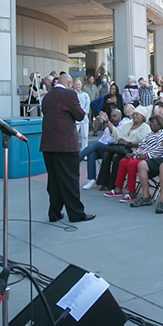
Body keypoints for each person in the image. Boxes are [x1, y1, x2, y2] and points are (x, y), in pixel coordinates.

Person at [40, 72, 92, 223]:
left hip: (48, 144)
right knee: (70, 179)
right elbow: (80, 115)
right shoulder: (69, 95)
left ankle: (54, 212)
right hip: (65, 144)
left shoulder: (48, 96)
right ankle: (76, 214)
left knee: (54, 180)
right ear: (69, 84)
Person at [109, 114, 163, 201]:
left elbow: (160, 149)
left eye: (153, 123)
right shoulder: (149, 134)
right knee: (123, 161)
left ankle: (132, 192)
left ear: (159, 124)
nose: (151, 125)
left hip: (151, 159)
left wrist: (146, 156)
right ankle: (118, 188)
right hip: (140, 156)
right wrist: (133, 154)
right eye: (150, 123)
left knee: (132, 164)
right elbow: (141, 146)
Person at [97, 106, 151, 192]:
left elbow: (144, 141)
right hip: (122, 148)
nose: (135, 116)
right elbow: (115, 132)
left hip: (133, 150)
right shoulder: (128, 125)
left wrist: (128, 142)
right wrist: (107, 122)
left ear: (142, 117)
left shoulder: (145, 127)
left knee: (116, 156)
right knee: (107, 154)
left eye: (137, 115)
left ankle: (113, 185)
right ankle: (103, 182)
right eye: (133, 114)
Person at [82, 108, 123, 191]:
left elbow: (117, 137)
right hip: (103, 148)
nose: (113, 118)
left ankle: (77, 159)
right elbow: (101, 140)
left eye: (115, 116)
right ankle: (91, 179)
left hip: (112, 148)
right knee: (91, 153)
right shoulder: (107, 128)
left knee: (96, 144)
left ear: (120, 116)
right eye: (111, 116)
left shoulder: (123, 125)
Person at [73, 76, 91, 150]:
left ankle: (84, 151)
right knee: (74, 135)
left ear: (81, 86)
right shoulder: (72, 94)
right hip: (75, 118)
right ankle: (74, 150)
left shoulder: (85, 95)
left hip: (84, 118)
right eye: (76, 85)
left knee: (85, 136)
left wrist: (83, 113)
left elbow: (87, 105)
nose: (77, 86)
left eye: (79, 84)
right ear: (74, 86)